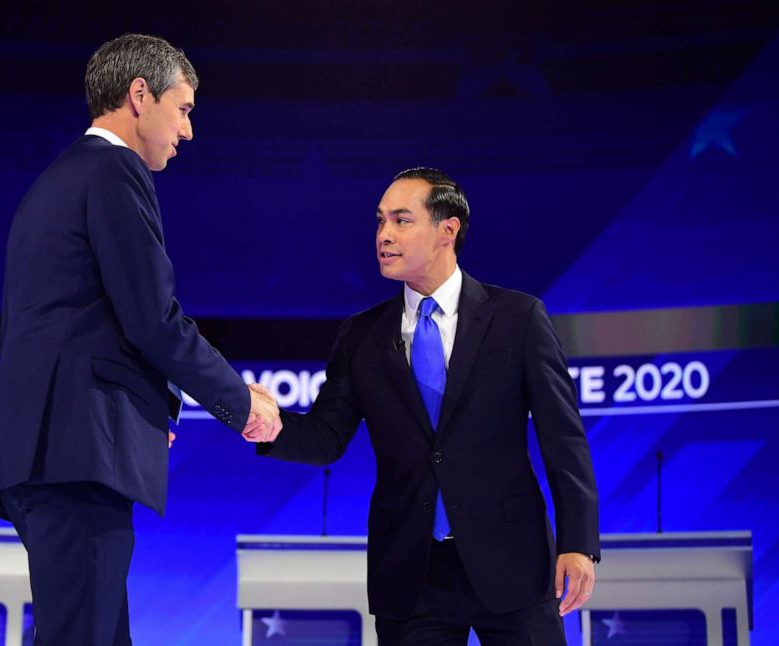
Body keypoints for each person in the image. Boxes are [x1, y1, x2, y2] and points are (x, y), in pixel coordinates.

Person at [0, 34, 278, 645]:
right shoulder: (114, 172)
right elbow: (151, 317)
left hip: (51, 453)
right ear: (140, 95)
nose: (189, 131)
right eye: (185, 108)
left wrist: (148, 404)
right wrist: (240, 404)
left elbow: (83, 323)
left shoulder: (61, 178)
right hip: (77, 455)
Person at [244, 168, 599, 645]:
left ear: (446, 231)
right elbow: (327, 438)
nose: (384, 235)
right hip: (412, 572)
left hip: (513, 562)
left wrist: (578, 543)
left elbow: (563, 439)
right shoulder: (361, 336)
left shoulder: (518, 318)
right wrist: (264, 424)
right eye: (380, 221)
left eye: (401, 220)